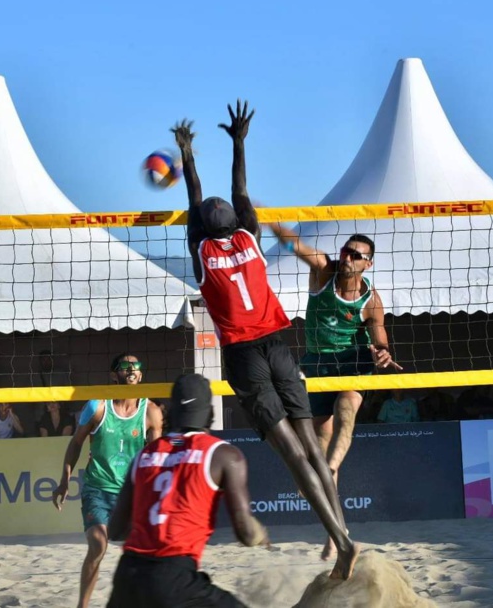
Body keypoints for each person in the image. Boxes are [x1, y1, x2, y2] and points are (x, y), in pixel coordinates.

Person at [172, 100, 358, 580]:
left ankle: (342, 541)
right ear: (237, 221)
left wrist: (187, 155)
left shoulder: (201, 249)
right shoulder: (250, 238)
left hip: (244, 355)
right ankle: (339, 532)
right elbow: (238, 188)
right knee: (314, 450)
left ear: (203, 228)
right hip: (279, 345)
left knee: (292, 454)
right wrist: (238, 141)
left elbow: (198, 200)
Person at [267, 223, 401, 558]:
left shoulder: (372, 299)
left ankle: (327, 469)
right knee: (319, 444)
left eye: (356, 255)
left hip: (353, 361)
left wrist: (382, 350)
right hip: (316, 364)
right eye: (346, 250)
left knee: (346, 410)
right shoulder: (324, 271)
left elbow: (379, 334)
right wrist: (269, 220)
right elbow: (295, 245)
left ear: (367, 264)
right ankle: (335, 534)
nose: (347, 257)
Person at [107, 373, 268, 608]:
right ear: (209, 413)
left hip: (127, 577)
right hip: (173, 578)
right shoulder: (223, 455)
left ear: (171, 412)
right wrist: (259, 534)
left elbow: (116, 531)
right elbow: (245, 534)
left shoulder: (144, 454)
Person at [52, 354, 163, 608]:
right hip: (98, 489)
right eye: (125, 366)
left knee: (147, 554)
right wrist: (64, 479)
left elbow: (154, 460)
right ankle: (83, 605)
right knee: (98, 545)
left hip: (131, 494)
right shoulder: (98, 406)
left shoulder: (151, 412)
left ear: (142, 375)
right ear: (114, 375)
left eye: (137, 366)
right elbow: (76, 442)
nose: (132, 369)